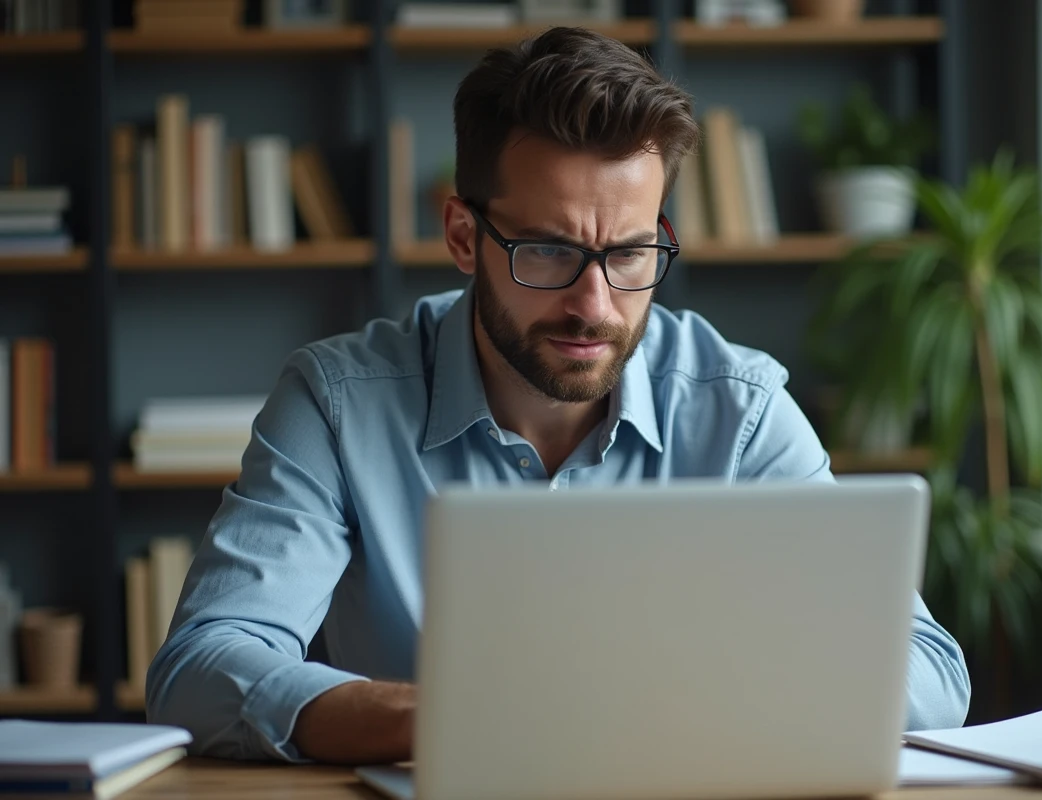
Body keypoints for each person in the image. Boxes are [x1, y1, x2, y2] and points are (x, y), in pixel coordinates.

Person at [145, 26, 970, 764]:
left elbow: (928, 670)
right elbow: (202, 666)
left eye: (630, 253)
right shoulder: (337, 402)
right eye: (547, 251)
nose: (594, 305)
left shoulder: (740, 409)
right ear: (463, 236)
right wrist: (449, 720)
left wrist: (685, 720)